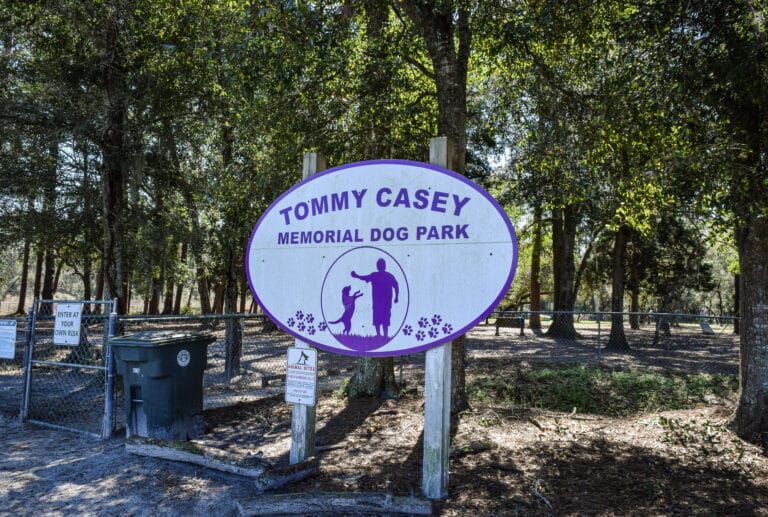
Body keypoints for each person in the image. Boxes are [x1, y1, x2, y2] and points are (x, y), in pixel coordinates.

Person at [351, 258, 399, 338]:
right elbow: (365, 277)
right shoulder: (375, 275)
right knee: (379, 317)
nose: (380, 266)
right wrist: (356, 276)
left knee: (384, 318)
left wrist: (397, 296)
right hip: (378, 301)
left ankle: (384, 335)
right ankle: (379, 334)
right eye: (380, 265)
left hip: (385, 302)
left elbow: (396, 286)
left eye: (381, 265)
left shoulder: (388, 276)